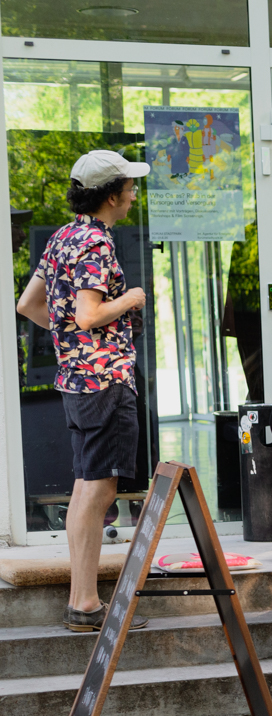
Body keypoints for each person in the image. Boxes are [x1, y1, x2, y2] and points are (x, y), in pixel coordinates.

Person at [15, 150, 153, 632]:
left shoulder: (63, 237)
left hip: (76, 380)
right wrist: (130, 299)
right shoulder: (96, 242)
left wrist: (70, 342)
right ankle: (86, 603)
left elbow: (28, 304)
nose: (133, 195)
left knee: (85, 489)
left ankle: (83, 600)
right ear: (111, 195)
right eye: (129, 188)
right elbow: (90, 314)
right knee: (97, 491)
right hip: (105, 382)